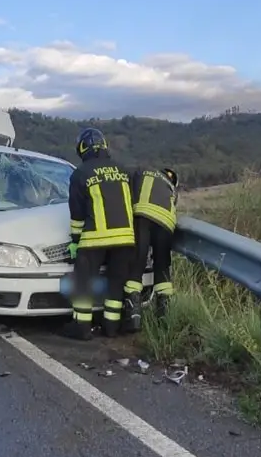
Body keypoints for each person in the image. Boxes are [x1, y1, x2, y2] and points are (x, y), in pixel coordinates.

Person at [63, 128, 135, 341]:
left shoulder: (81, 173)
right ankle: (111, 327)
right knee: (115, 283)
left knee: (83, 282)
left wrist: (75, 242)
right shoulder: (123, 170)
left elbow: (76, 213)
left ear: (82, 148)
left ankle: (82, 327)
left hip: (95, 238)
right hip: (125, 239)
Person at [127, 166, 179, 327]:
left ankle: (133, 316)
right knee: (162, 267)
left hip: (142, 217)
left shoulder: (141, 171)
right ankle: (164, 317)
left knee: (137, 263)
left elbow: (127, 193)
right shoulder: (170, 186)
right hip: (166, 223)